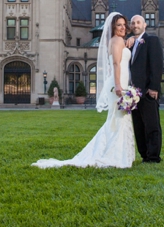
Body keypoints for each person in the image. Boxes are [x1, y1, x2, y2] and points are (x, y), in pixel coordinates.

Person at [33, 12, 135, 169]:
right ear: (113, 27)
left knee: (118, 119)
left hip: (120, 82)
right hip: (118, 84)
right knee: (117, 120)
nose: (122, 27)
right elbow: (115, 64)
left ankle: (119, 153)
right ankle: (114, 155)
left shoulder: (119, 41)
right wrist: (118, 86)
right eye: (119, 25)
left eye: (123, 24)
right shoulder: (116, 41)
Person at [128, 15, 164, 163]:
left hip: (148, 92)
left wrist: (154, 87)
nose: (135, 25)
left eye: (138, 22)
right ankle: (144, 154)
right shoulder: (131, 43)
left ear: (145, 25)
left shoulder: (151, 40)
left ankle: (153, 156)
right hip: (133, 94)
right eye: (133, 23)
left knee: (152, 125)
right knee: (138, 126)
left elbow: (157, 64)